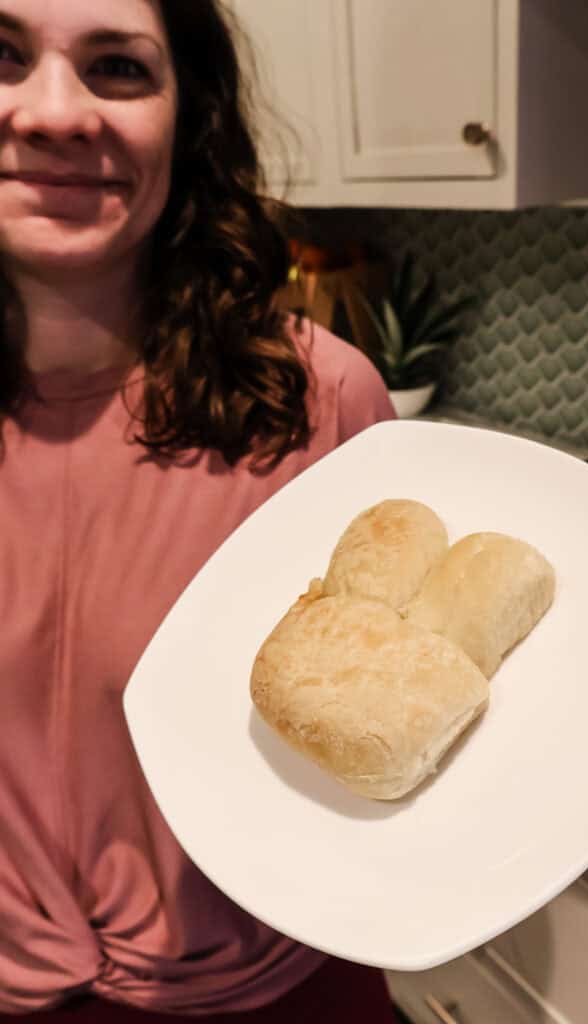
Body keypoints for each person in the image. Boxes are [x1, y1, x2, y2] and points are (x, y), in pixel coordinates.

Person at [0, 1, 398, 1020]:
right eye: (1, 57)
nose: (55, 112)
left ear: (190, 120)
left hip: (268, 993)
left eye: (118, 69)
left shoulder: (320, 403)